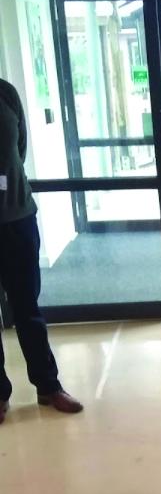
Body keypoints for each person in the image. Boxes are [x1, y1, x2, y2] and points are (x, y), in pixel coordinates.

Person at [0, 78, 83, 424]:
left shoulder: (5, 93)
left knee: (27, 309)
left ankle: (48, 387)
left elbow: (19, 149)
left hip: (17, 218)